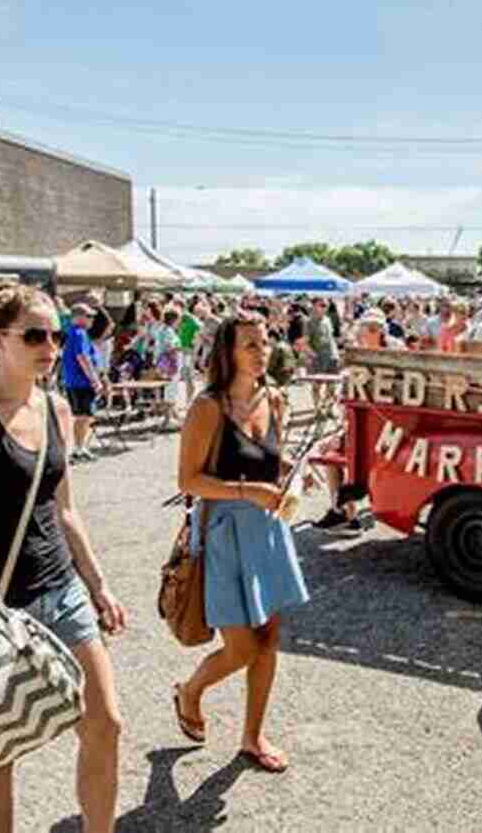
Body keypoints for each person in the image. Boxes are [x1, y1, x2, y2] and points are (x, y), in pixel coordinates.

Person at [0, 283, 127, 832]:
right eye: (35, 335)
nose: (50, 346)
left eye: (57, 336)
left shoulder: (57, 408)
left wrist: (98, 583)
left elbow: (64, 510)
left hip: (61, 590)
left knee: (105, 723)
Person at [173, 315, 310, 773]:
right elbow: (188, 480)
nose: (261, 350)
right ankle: (191, 690)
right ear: (227, 353)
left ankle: (252, 737)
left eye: (265, 342)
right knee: (242, 647)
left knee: (268, 638)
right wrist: (246, 491)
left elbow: (270, 459)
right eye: (250, 344)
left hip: (268, 527)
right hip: (223, 531)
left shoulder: (274, 398)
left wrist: (296, 472)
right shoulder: (207, 407)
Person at [61, 303, 104, 463]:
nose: (92, 319)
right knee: (83, 416)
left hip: (75, 381)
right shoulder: (79, 333)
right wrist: (95, 380)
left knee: (83, 416)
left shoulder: (75, 333)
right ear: (78, 317)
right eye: (89, 316)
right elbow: (83, 358)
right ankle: (78, 449)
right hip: (81, 382)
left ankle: (81, 447)